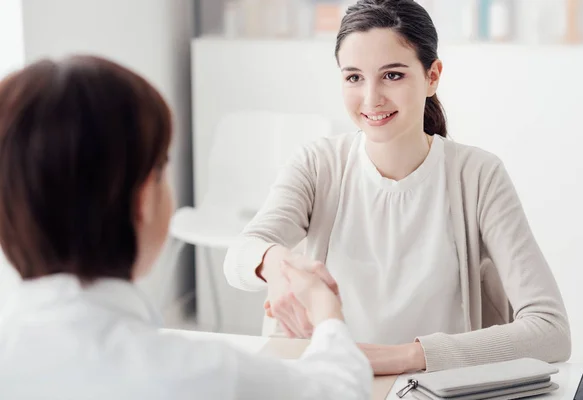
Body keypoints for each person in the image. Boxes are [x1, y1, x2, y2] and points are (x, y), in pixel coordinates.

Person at [224, 0, 571, 375]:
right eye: (354, 77)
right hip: (330, 382)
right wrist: (274, 263)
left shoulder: (477, 175)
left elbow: (551, 331)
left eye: (392, 75)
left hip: (434, 387)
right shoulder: (317, 164)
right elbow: (239, 256)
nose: (371, 98)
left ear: (432, 76)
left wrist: (404, 357)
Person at [0, 55, 372, 400]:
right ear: (144, 199)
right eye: (162, 168)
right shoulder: (201, 375)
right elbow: (337, 390)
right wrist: (326, 309)